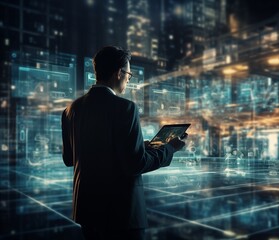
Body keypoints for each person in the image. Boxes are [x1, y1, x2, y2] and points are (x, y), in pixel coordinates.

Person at [61, 46, 186, 240]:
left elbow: (70, 159)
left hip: (87, 212)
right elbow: (136, 164)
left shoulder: (71, 109)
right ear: (119, 73)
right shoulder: (125, 108)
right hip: (121, 215)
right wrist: (170, 148)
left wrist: (138, 145)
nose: (129, 78)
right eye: (129, 73)